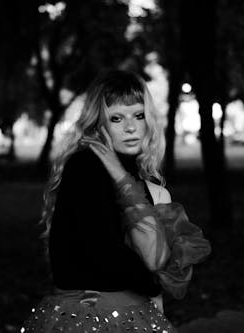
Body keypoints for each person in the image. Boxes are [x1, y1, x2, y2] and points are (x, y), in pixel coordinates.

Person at [21, 70, 211, 332]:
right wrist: (151, 285)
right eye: (117, 118)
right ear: (98, 124)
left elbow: (156, 261)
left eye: (139, 115)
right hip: (88, 314)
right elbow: (102, 250)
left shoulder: (147, 186)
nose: (131, 127)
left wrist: (120, 176)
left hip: (134, 313)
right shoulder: (84, 166)